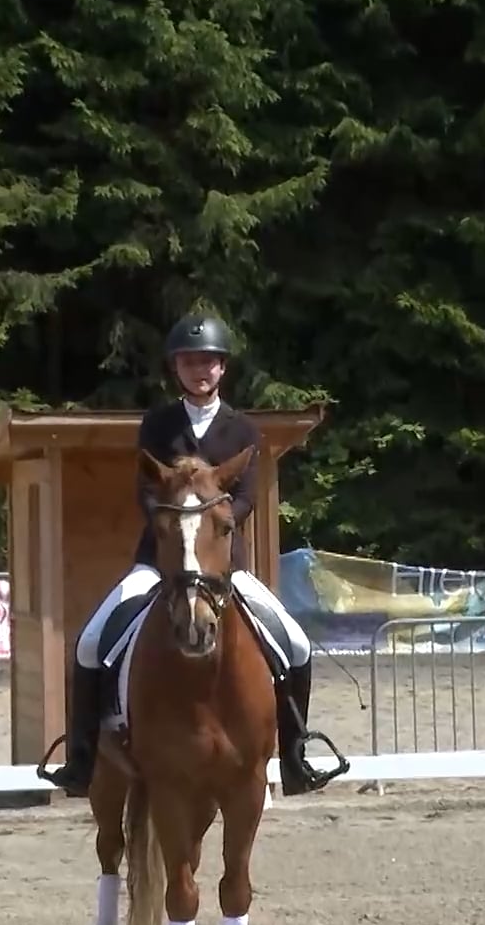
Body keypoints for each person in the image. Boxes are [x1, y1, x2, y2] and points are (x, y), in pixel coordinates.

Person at [39, 313, 332, 798]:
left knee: (295, 643)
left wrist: (215, 523)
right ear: (176, 367)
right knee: (90, 644)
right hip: (157, 563)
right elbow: (148, 492)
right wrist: (176, 526)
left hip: (224, 565)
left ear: (222, 369)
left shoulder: (243, 431)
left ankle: (295, 755)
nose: (201, 370)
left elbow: (247, 499)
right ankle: (82, 758)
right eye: (191, 362)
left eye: (210, 362)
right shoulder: (157, 425)